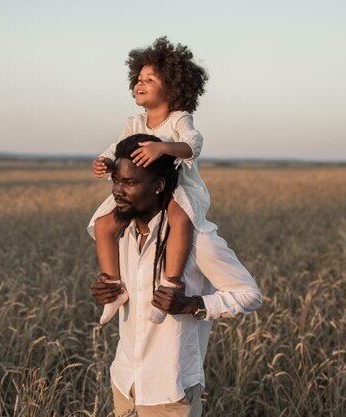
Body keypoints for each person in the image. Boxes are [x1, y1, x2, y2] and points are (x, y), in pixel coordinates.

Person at [90, 135, 262, 416]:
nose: (117, 192)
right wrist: (106, 289)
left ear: (158, 186)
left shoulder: (198, 240)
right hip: (125, 382)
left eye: (129, 183)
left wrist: (192, 305)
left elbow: (250, 295)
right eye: (116, 181)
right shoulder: (122, 234)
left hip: (170, 391)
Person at [89, 36, 216, 325]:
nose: (140, 84)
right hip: (140, 188)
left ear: (173, 88)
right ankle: (114, 284)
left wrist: (163, 147)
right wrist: (106, 162)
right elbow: (117, 149)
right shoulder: (134, 123)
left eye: (150, 79)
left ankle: (172, 282)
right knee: (103, 224)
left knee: (179, 218)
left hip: (173, 187)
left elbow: (193, 145)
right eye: (139, 78)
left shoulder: (178, 118)